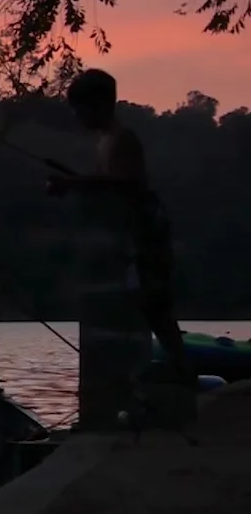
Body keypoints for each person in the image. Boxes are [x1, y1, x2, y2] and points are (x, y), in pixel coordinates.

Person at [44, 68, 193, 383]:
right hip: (126, 234)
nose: (77, 116)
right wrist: (74, 183)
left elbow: (123, 182)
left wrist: (73, 183)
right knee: (145, 306)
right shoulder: (104, 141)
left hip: (144, 233)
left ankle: (182, 373)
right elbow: (106, 184)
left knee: (155, 306)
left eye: (80, 108)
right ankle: (165, 373)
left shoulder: (123, 139)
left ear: (100, 104)